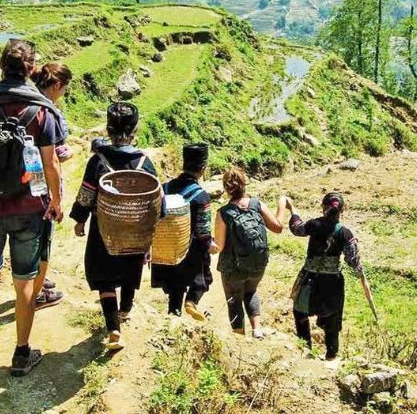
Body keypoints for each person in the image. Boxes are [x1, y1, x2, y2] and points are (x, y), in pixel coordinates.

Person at [0, 39, 63, 377]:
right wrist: (56, 202)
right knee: (25, 281)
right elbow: (51, 166)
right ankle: (21, 353)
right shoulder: (42, 110)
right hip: (28, 208)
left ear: (1, 66)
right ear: (32, 69)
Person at [70, 101, 157, 352]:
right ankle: (126, 309)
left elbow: (86, 195)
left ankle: (113, 329)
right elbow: (156, 205)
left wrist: (79, 219)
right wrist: (150, 235)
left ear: (108, 129)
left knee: (105, 278)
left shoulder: (98, 162)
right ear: (135, 129)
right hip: (135, 233)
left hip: (104, 232)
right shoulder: (145, 163)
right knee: (130, 269)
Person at [211, 166, 289, 338]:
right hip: (257, 264)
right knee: (251, 291)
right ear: (244, 184)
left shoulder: (223, 213)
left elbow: (219, 246)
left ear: (226, 188)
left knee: (234, 300)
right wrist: (282, 204)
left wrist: (206, 244)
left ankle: (240, 339)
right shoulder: (257, 204)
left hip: (233, 268)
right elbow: (277, 227)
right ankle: (257, 330)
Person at [288, 192, 362, 363]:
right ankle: (331, 354)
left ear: (323, 207)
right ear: (342, 210)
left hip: (311, 280)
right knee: (332, 318)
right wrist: (358, 264)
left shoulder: (314, 225)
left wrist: (293, 210)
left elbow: (297, 228)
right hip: (332, 283)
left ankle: (305, 349)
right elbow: (352, 260)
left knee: (300, 312)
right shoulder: (345, 233)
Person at [28, 62, 74, 311]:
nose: (64, 93)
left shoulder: (23, 100)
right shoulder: (47, 111)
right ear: (56, 85)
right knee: (42, 239)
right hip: (41, 185)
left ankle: (37, 280)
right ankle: (35, 294)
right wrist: (56, 200)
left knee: (28, 237)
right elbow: (53, 158)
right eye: (64, 88)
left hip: (20, 182)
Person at [150, 144, 214, 321]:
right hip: (190, 254)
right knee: (204, 279)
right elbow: (203, 231)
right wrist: (210, 244)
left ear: (183, 164)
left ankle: (174, 314)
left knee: (175, 288)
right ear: (203, 168)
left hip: (166, 252)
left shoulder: (165, 188)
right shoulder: (202, 196)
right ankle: (192, 301)